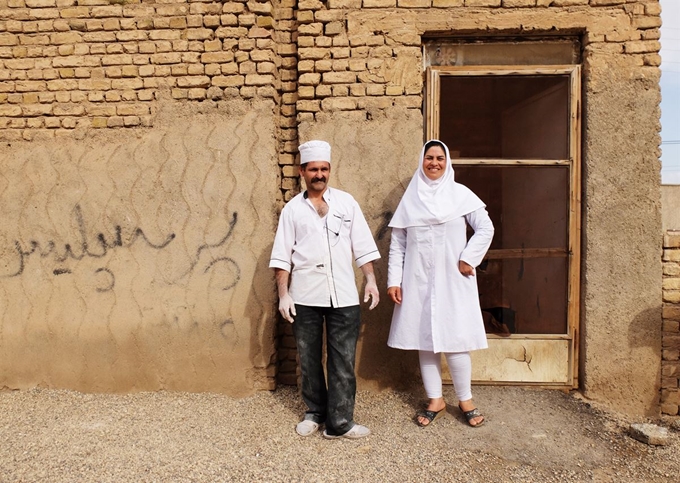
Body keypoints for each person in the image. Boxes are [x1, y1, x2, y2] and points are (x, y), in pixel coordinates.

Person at [269, 140, 380, 439]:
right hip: (304, 295)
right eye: (313, 169)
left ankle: (340, 422)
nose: (319, 174)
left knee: (342, 359)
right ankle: (314, 412)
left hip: (343, 294)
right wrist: (284, 294)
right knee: (308, 358)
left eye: (324, 169)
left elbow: (363, 246)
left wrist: (370, 280)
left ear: (329, 170)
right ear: (302, 171)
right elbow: (282, 256)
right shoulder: (292, 210)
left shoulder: (347, 203)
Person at [386, 140, 494, 428]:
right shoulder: (410, 199)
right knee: (426, 342)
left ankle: (466, 399)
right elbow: (398, 244)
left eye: (440, 158)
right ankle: (436, 399)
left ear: (447, 163)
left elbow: (486, 227)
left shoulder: (461, 195)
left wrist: (469, 258)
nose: (434, 163)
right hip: (417, 280)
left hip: (453, 279)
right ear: (421, 161)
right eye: (429, 158)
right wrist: (393, 281)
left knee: (457, 340)